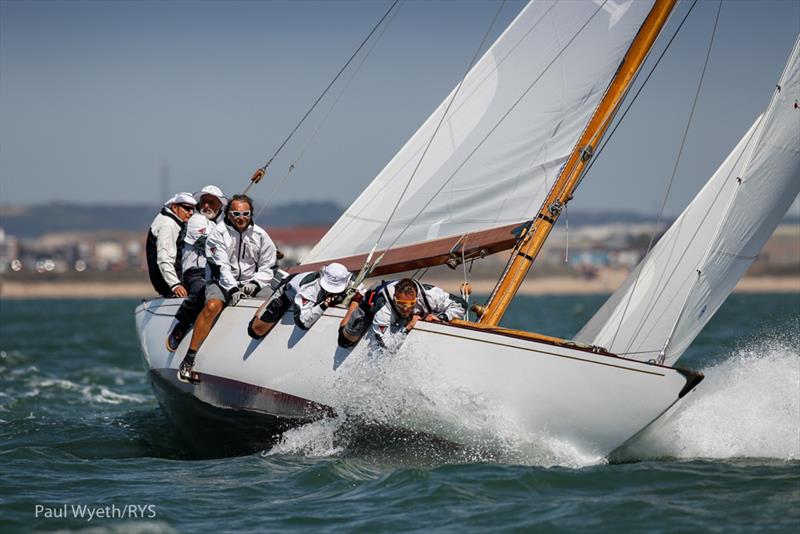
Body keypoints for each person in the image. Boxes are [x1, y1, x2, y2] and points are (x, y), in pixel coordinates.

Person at [178, 194, 276, 383]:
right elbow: (220, 266)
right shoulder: (218, 233)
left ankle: (268, 356)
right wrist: (232, 289)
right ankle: (189, 359)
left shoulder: (261, 235)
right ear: (228, 214)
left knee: (276, 305)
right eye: (236, 213)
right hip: (220, 282)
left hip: (251, 282)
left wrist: (254, 283)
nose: (241, 217)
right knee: (213, 305)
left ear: (251, 214)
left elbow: (268, 266)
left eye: (245, 213)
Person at [166, 185, 227, 351]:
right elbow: (206, 244)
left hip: (220, 272)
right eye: (204, 202)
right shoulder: (196, 220)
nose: (206, 205)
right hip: (196, 272)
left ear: (220, 206)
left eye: (212, 202)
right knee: (202, 290)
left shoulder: (224, 224)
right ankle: (182, 322)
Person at [338, 278, 466, 351]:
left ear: (417, 298)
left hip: (404, 296)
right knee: (345, 342)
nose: (405, 308)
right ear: (394, 298)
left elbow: (461, 305)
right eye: (401, 303)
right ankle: (356, 301)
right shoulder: (383, 309)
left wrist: (441, 317)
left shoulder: (431, 294)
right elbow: (387, 346)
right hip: (371, 302)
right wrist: (407, 327)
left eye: (411, 303)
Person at [247, 262, 353, 339]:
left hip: (312, 294)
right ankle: (263, 308)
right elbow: (302, 322)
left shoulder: (347, 281)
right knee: (256, 331)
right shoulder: (309, 289)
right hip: (288, 293)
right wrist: (324, 305)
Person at [146, 192, 197, 298]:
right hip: (168, 284)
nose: (191, 212)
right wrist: (175, 285)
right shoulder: (168, 225)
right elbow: (164, 258)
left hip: (170, 280)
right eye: (187, 208)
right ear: (174, 207)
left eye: (193, 209)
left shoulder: (170, 220)